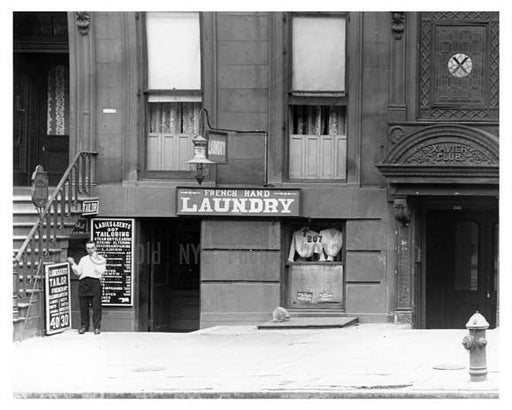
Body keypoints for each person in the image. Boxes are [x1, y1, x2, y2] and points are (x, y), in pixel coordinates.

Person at [68, 241, 106, 335]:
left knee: (96, 306)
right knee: (83, 306)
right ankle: (84, 326)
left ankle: (97, 327)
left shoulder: (100, 258)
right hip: (83, 282)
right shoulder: (83, 259)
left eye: (92, 248)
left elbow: (101, 270)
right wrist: (73, 263)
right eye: (88, 248)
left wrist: (95, 260)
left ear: (95, 248)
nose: (90, 250)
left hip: (94, 282)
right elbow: (79, 272)